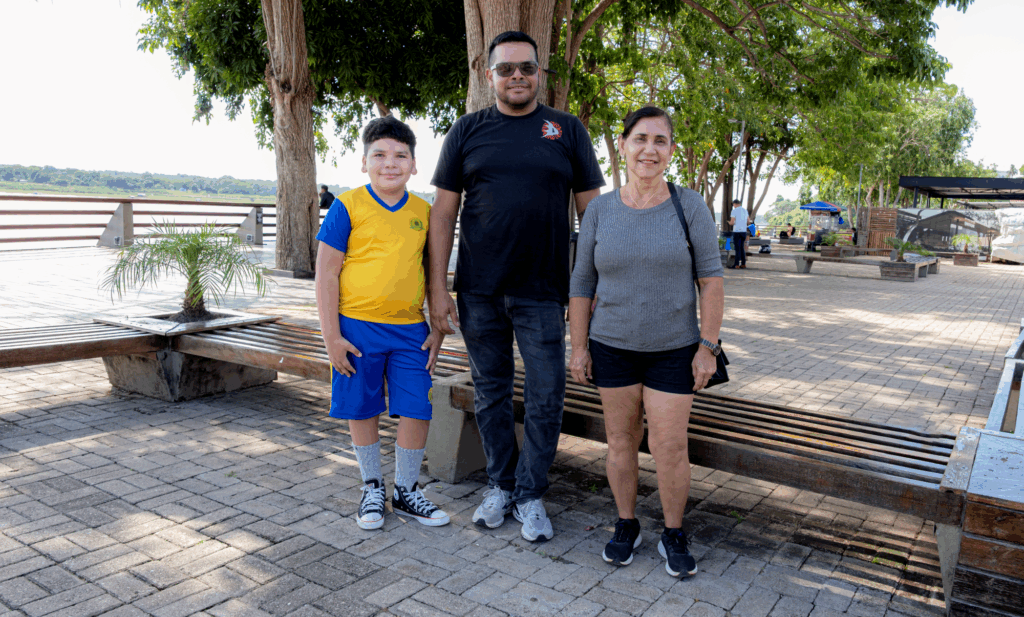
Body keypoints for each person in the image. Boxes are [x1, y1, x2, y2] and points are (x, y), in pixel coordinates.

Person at [428, 31, 605, 542]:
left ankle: (530, 494)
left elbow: (593, 216)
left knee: (547, 395)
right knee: (491, 394)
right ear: (489, 76)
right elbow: (443, 215)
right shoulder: (466, 130)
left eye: (526, 67)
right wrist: (437, 289)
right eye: (505, 69)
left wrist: (590, 288)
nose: (517, 76)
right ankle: (500, 486)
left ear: (539, 72)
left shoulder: (566, 130)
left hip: (544, 291)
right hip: (479, 291)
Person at [568, 106, 724, 577]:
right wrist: (579, 347)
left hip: (674, 350)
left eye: (660, 140)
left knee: (669, 445)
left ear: (671, 150)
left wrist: (708, 347)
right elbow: (582, 283)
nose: (649, 150)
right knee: (620, 441)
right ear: (623, 145)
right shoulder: (600, 210)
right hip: (611, 347)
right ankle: (626, 523)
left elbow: (711, 281)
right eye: (640, 139)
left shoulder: (690, 206)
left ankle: (673, 532)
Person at [315, 116, 448, 531]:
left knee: (418, 405)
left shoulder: (424, 212)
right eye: (379, 155)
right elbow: (326, 274)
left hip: (410, 330)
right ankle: (372, 485)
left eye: (400, 156)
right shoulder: (347, 206)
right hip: (356, 327)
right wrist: (332, 337)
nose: (390, 163)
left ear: (414, 165)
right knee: (362, 405)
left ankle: (406, 490)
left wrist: (438, 328)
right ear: (364, 162)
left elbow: (434, 275)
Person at [729, 198, 748, 269]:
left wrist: (729, 222)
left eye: (733, 205)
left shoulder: (734, 211)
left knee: (737, 248)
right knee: (742, 248)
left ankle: (736, 264)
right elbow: (748, 221)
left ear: (734, 204)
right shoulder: (745, 210)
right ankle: (743, 264)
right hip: (744, 231)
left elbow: (732, 222)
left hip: (737, 231)